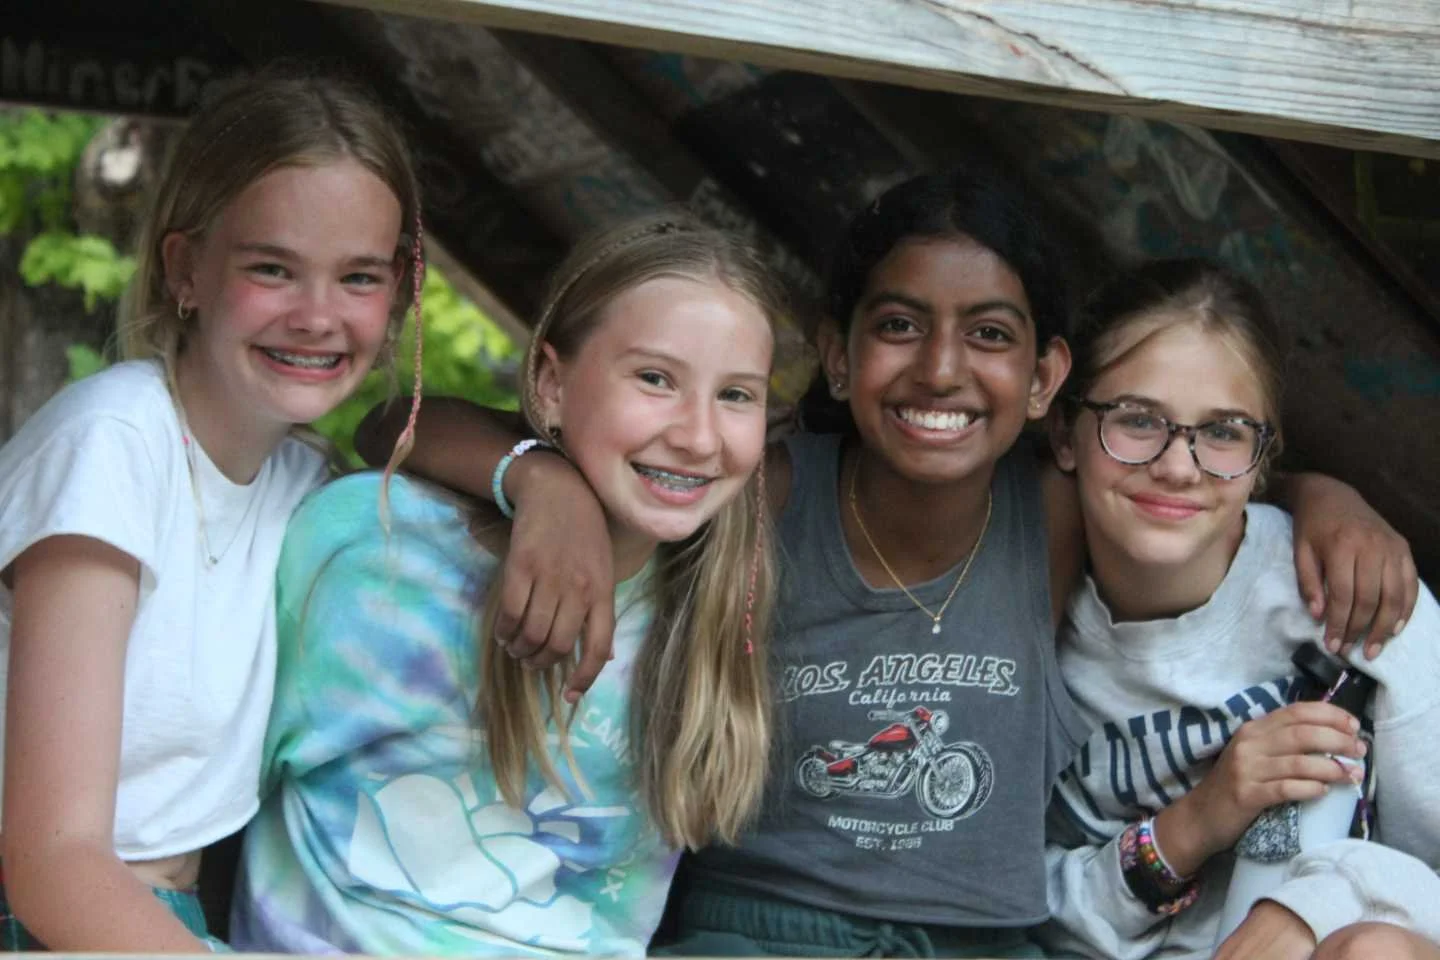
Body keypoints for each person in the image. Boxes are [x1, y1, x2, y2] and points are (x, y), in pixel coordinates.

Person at [357, 168, 1416, 958]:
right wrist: (543, 486)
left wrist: (1330, 496)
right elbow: (394, 425)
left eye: (991, 335)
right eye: (901, 325)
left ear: (1048, 376)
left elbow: (1195, 471)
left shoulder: (1049, 508)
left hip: (994, 945)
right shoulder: (763, 485)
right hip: (763, 934)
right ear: (841, 350)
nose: (942, 368)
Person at [229, 211, 783, 956]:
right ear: (551, 384)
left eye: (737, 395)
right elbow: (204, 804)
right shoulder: (371, 547)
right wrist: (541, 481)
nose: (698, 435)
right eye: (655, 379)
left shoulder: (711, 602)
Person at [0, 68, 423, 951]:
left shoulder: (302, 483)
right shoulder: (113, 443)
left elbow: (423, 441)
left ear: (399, 295)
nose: (317, 316)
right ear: (185, 269)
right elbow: (52, 861)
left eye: (358, 277)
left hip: (171, 921)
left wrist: (537, 482)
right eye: (272, 268)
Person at [1038, 259, 1440, 960]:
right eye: (1138, 420)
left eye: (1222, 432)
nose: (1178, 466)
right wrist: (1196, 821)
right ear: (1064, 434)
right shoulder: (1029, 614)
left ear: (1263, 456)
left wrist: (1312, 908)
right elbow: (1012, 903)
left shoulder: (1353, 595)